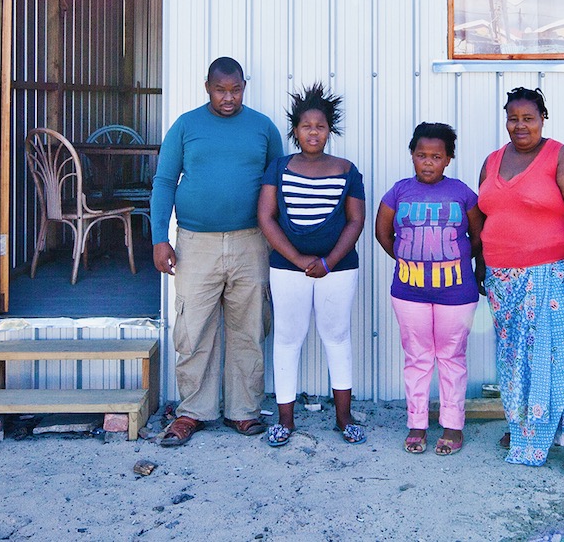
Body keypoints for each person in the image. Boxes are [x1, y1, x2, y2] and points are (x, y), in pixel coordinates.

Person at [149, 56, 283, 447]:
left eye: (236, 89)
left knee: (250, 327)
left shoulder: (263, 128)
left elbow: (278, 186)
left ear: (245, 85)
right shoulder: (186, 126)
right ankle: (193, 412)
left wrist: (281, 242)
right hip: (195, 242)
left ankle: (243, 411)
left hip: (251, 241)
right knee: (193, 330)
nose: (229, 97)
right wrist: (160, 237)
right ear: (207, 86)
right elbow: (163, 181)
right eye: (221, 90)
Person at [468, 86, 564, 476]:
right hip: (503, 279)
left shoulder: (562, 157)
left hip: (554, 276)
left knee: (562, 360)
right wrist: (480, 264)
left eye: (529, 118)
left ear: (543, 118)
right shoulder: (491, 162)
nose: (520, 125)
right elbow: (484, 219)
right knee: (515, 361)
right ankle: (525, 425)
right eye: (513, 118)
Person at [257, 84, 367, 446]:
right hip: (289, 268)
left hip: (338, 268)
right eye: (306, 127)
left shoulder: (347, 170)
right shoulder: (279, 167)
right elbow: (267, 218)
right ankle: (285, 421)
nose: (314, 133)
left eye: (320, 126)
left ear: (329, 129)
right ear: (295, 130)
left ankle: (343, 417)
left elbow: (355, 220)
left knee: (337, 338)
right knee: (288, 339)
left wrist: (329, 261)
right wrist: (301, 260)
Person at [374, 121, 479, 456]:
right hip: (409, 291)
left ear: (448, 158)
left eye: (436, 156)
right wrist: (410, 258)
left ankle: (452, 425)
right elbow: (383, 233)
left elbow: (479, 237)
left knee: (452, 357)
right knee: (417, 358)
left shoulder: (462, 192)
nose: (429, 162)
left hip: (456, 292)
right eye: (422, 155)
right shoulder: (399, 191)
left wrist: (455, 261)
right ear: (412, 156)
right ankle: (417, 423)